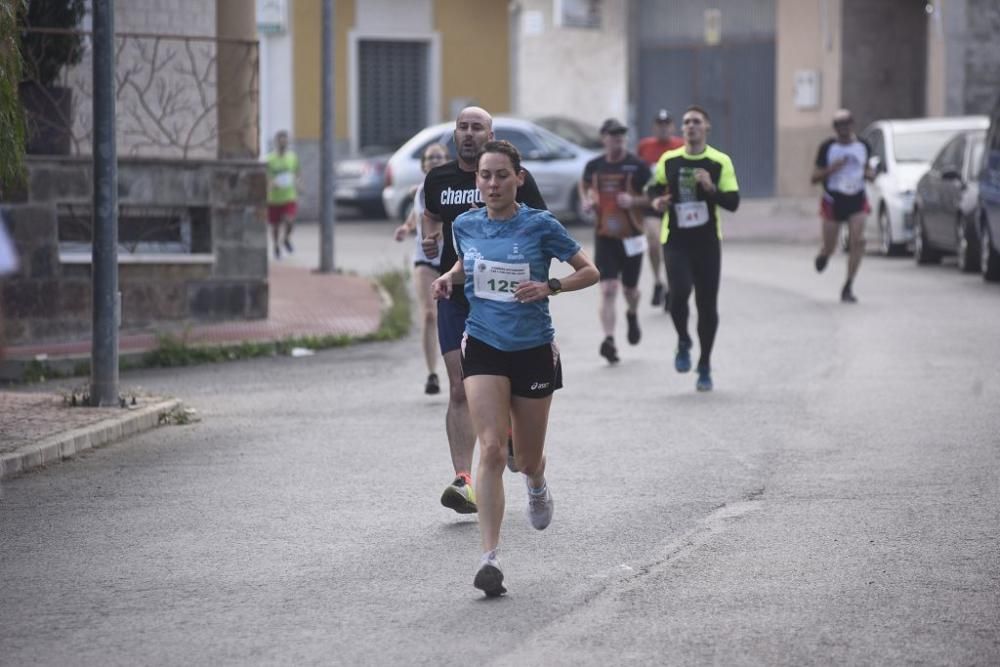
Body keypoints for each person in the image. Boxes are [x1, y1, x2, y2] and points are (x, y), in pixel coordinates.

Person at [431, 140, 599, 597]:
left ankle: (538, 483)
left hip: (533, 348)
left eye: (501, 175)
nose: (492, 184)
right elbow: (470, 264)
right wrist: (448, 279)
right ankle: (489, 558)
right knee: (489, 447)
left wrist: (551, 286)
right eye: (485, 176)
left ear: (518, 178)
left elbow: (590, 271)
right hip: (484, 341)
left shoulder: (540, 225)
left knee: (523, 458)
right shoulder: (465, 224)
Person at [421, 107, 547, 515]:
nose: (469, 133)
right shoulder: (438, 180)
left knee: (503, 388)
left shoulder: (510, 176)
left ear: (490, 133)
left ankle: (507, 438)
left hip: (503, 302)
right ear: (454, 134)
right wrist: (429, 239)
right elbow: (430, 214)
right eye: (463, 127)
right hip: (456, 297)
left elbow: (541, 224)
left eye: (478, 127)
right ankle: (464, 479)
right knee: (459, 386)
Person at [647, 105, 740, 392]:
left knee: (706, 305)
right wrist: (656, 202)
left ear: (707, 127)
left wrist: (710, 188)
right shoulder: (670, 160)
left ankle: (705, 363)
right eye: (686, 122)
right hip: (675, 239)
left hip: (707, 242)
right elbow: (653, 188)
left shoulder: (719, 161)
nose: (690, 126)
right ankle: (684, 340)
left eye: (696, 121)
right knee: (679, 293)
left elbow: (733, 202)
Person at [580, 118, 652, 364]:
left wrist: (634, 201)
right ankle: (609, 340)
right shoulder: (594, 166)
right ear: (604, 138)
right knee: (609, 288)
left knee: (630, 289)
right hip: (605, 236)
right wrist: (588, 201)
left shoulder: (638, 166)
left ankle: (632, 313)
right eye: (613, 135)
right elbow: (586, 186)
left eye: (621, 135)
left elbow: (654, 197)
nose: (617, 139)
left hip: (632, 235)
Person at [393, 143, 449, 394]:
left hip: (452, 262)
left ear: (447, 161)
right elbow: (416, 217)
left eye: (439, 157)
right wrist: (406, 228)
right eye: (430, 158)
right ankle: (432, 374)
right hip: (424, 261)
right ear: (423, 164)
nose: (435, 160)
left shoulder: (453, 190)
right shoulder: (419, 192)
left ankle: (463, 368)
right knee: (429, 314)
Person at [811, 108, 874, 303]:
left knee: (858, 241)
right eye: (839, 125)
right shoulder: (827, 148)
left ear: (852, 124)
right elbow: (814, 177)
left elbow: (868, 169)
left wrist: (870, 174)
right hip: (833, 200)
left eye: (846, 123)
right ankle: (824, 255)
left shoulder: (863, 146)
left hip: (857, 198)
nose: (843, 128)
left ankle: (848, 284)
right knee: (830, 245)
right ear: (835, 128)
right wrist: (832, 168)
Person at [637, 109, 685, 310]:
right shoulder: (645, 147)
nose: (663, 128)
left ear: (672, 127)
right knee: (654, 243)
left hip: (675, 203)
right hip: (653, 203)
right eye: (659, 124)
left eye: (667, 124)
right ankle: (658, 281)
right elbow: (638, 174)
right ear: (654, 127)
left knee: (673, 249)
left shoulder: (680, 146)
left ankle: (672, 287)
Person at [264, 130, 300, 260]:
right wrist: (271, 183)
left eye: (285, 141)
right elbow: (266, 175)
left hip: (289, 196)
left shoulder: (292, 157)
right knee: (275, 226)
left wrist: (299, 184)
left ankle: (286, 239)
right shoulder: (270, 159)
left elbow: (297, 172)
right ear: (276, 142)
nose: (283, 143)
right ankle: (276, 246)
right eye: (280, 141)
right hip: (274, 197)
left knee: (290, 220)